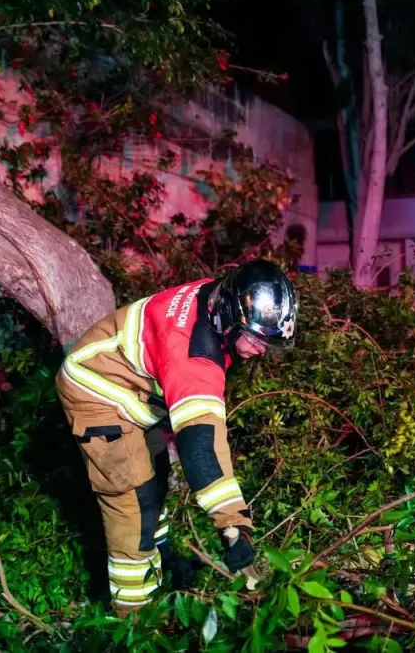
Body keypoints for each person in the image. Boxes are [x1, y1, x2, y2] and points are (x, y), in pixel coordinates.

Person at [55, 258, 298, 616]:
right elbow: (201, 450)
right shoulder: (193, 356)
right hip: (95, 392)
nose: (262, 350)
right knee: (132, 504)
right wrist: (233, 523)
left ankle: (163, 553)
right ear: (231, 320)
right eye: (258, 339)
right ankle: (134, 618)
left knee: (154, 474)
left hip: (127, 386)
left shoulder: (217, 297)